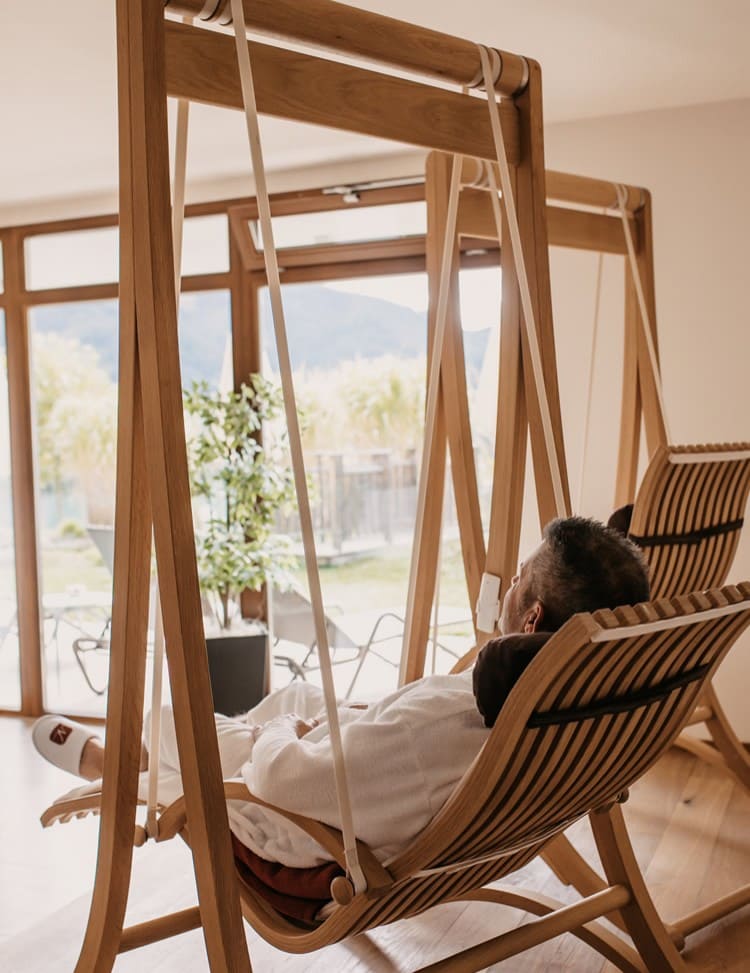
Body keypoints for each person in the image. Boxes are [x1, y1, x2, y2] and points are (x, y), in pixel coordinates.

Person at [33, 516, 649, 875]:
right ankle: (152, 759)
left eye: (516, 580)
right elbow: (392, 743)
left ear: (534, 618)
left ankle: (126, 765)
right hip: (373, 786)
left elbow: (277, 780)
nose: (508, 588)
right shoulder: (572, 711)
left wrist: (287, 738)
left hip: (304, 828)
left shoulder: (442, 723)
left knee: (170, 717)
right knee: (299, 693)